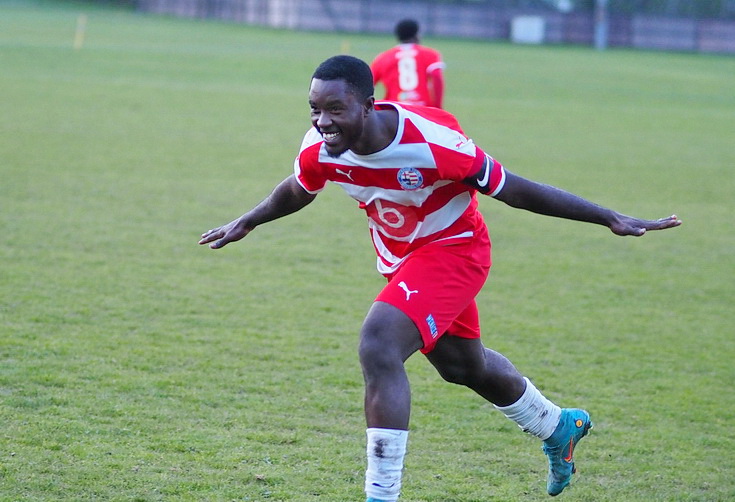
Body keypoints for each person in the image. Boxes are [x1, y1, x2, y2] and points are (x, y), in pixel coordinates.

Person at [199, 55, 681, 501]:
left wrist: (607, 217)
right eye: (314, 109)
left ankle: (380, 494)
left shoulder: (432, 145)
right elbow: (299, 188)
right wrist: (249, 220)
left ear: (368, 105)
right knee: (463, 367)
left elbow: (516, 191)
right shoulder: (321, 148)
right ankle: (558, 425)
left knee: (379, 344)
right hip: (403, 261)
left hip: (455, 250)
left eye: (335, 109)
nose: (322, 121)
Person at [371, 19, 445, 108]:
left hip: (394, 108)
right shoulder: (430, 54)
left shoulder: (383, 58)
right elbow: (436, 75)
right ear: (416, 35)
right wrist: (437, 107)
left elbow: (368, 82)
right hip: (421, 108)